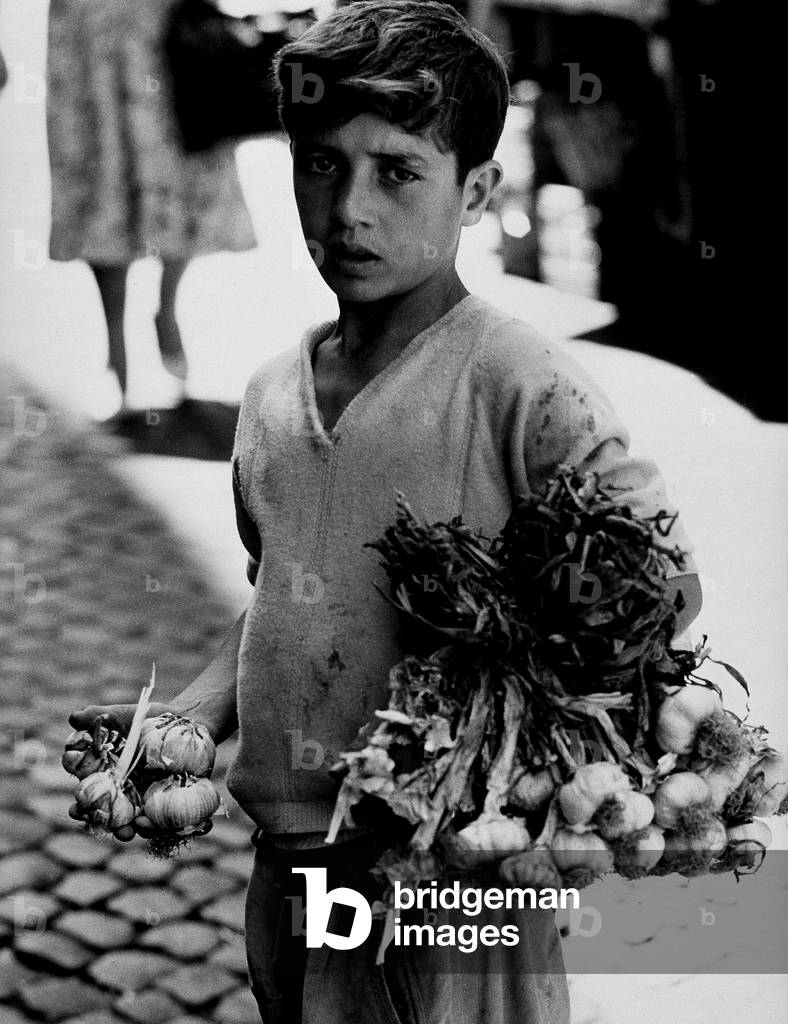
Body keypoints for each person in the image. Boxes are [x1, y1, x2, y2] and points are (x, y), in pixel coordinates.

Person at [70, 3, 702, 1021]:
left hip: (446, 884)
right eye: (320, 165)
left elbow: (660, 589)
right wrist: (193, 708)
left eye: (397, 170)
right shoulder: (272, 397)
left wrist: (516, 641)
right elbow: (283, 591)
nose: (349, 208)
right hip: (291, 874)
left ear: (476, 191)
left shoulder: (524, 388)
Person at [46, 0, 256, 417]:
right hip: (88, 27)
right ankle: (115, 344)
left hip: (161, 21)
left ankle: (166, 307)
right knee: (102, 175)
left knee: (185, 162)